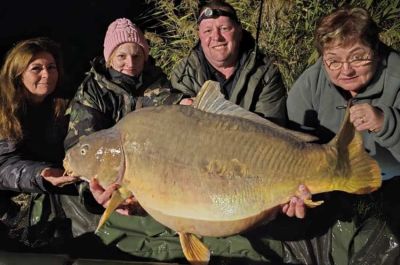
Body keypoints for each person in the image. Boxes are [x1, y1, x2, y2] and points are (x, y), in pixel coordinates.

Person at [286, 6, 400, 264]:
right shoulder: (309, 84)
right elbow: (293, 147)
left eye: (358, 57)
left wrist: (386, 122)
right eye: (334, 61)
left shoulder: (397, 77)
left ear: (377, 51)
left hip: (393, 181)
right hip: (331, 179)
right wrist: (298, 188)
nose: (346, 70)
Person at [0, 37, 78, 251]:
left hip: (52, 188)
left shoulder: (66, 104)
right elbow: (3, 165)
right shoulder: (4, 110)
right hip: (11, 200)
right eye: (36, 68)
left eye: (51, 67)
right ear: (18, 74)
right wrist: (40, 174)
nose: (47, 74)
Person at [170, 0, 287, 127]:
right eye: (208, 31)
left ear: (239, 32)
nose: (216, 37)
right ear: (200, 36)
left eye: (224, 28)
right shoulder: (184, 75)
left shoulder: (266, 74)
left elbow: (273, 128)